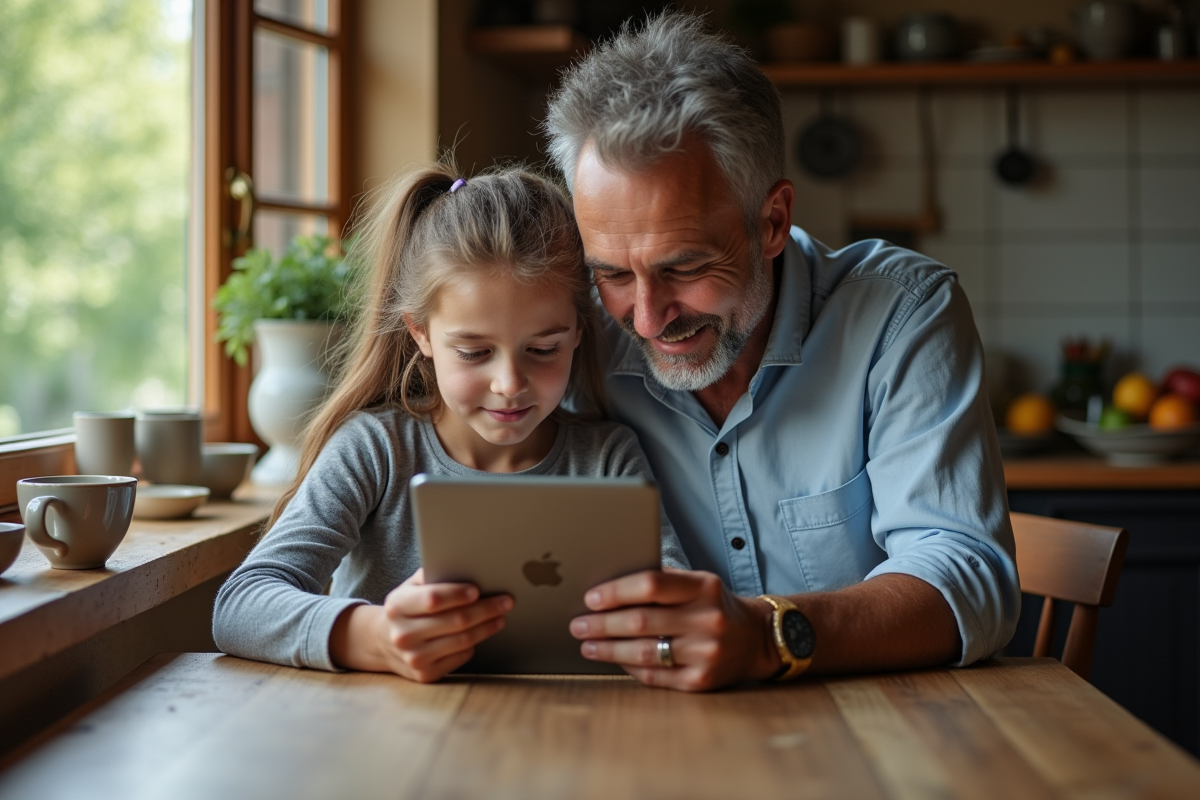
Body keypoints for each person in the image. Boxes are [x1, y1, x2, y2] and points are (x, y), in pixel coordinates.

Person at [543, 13, 1021, 691]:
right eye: (613, 273)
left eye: (682, 267)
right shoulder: (567, 337)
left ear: (772, 221)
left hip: (878, 746)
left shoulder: (901, 314)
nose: (645, 318)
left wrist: (769, 634)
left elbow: (970, 580)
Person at [212, 164, 688, 683]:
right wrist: (377, 637)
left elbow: (673, 599)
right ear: (420, 334)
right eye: (474, 351)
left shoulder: (608, 457)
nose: (510, 382)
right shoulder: (376, 449)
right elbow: (240, 605)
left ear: (578, 330)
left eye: (543, 349)